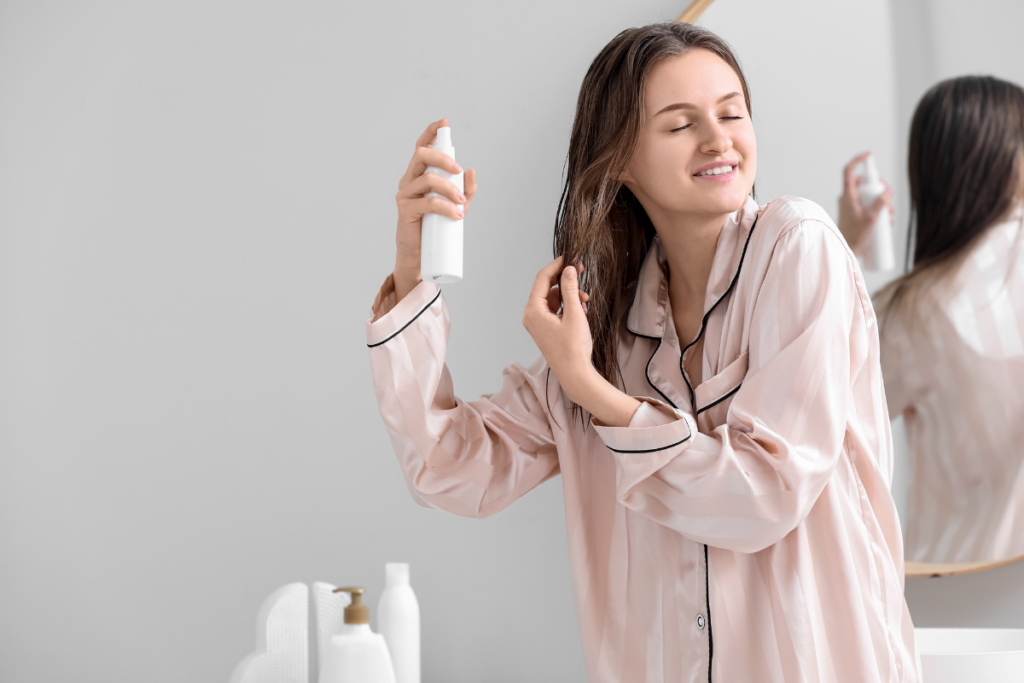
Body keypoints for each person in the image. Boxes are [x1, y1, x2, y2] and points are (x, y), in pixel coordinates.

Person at [370, 23, 918, 682]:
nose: (718, 139)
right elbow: (449, 467)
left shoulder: (797, 248)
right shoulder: (608, 329)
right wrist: (411, 267)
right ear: (621, 159)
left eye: (731, 112)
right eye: (681, 123)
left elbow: (764, 494)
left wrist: (592, 392)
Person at [839, 75, 1024, 564]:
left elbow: (820, 409)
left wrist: (844, 245)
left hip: (956, 588)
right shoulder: (917, 309)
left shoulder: (912, 311)